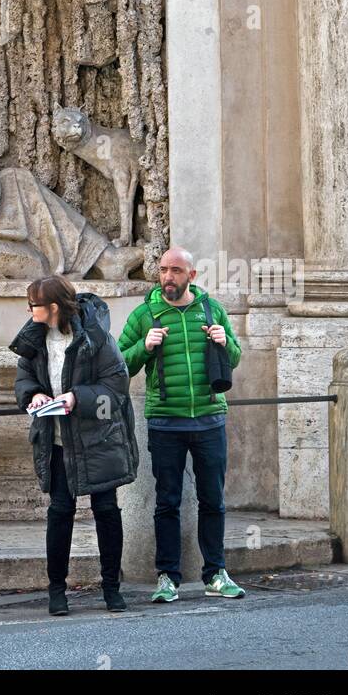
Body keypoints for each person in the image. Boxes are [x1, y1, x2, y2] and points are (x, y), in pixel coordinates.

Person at [118, 246, 246, 603]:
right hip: (165, 420)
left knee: (213, 500)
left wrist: (224, 342)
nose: (167, 277)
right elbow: (118, 364)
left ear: (191, 276)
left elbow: (235, 356)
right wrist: (143, 347)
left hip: (209, 417)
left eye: (175, 270)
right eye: (162, 270)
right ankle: (167, 576)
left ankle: (216, 573)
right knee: (167, 501)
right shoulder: (145, 314)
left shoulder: (212, 309)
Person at [10, 276, 138, 616]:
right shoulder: (34, 338)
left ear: (53, 308)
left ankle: (112, 588)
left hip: (98, 440)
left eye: (33, 304)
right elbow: (23, 377)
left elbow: (116, 388)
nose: (28, 309)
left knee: (106, 511)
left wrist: (76, 399)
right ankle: (57, 590)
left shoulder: (95, 337)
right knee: (60, 512)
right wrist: (34, 394)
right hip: (55, 441)